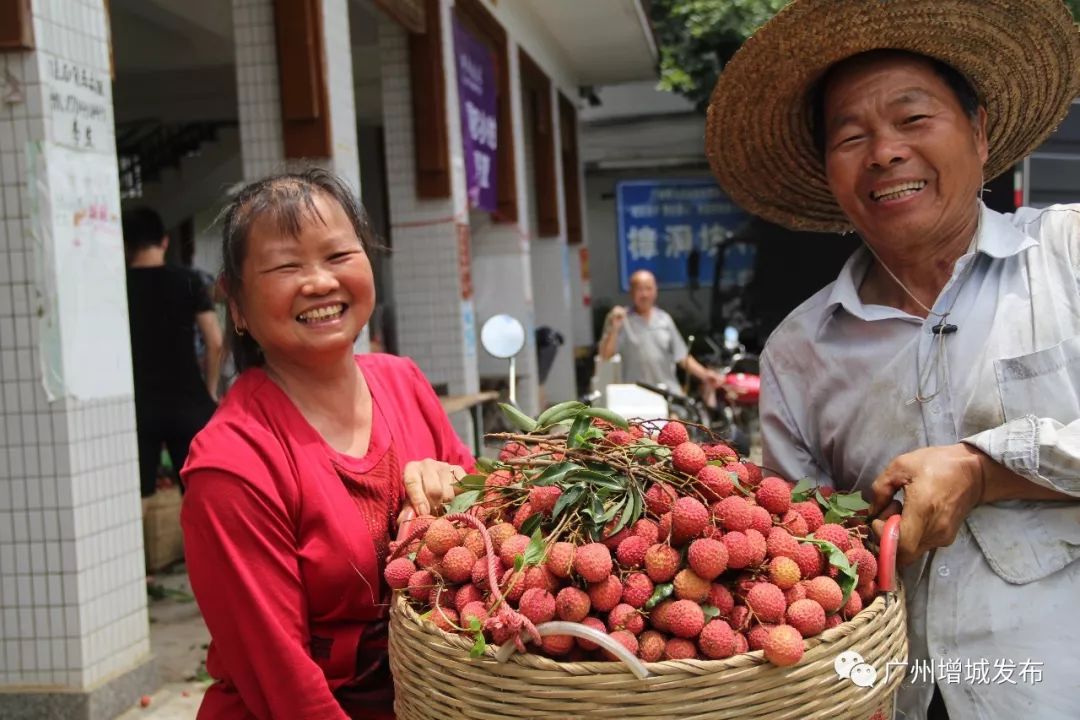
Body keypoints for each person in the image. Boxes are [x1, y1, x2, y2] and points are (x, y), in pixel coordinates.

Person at [705, 1, 1080, 718]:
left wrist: (984, 470)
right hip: (889, 698)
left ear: (979, 131)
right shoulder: (799, 351)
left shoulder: (1066, 257)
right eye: (851, 136)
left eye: (913, 120)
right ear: (829, 172)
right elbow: (799, 559)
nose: (883, 152)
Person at [179, 169, 475, 719]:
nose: (318, 282)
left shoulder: (404, 382)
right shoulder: (233, 465)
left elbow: (487, 549)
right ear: (236, 304)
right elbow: (283, 683)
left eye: (338, 256)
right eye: (286, 266)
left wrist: (460, 494)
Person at [123, 206, 223, 497]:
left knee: (137, 498)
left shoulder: (119, 286)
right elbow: (215, 341)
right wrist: (211, 389)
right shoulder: (188, 281)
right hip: (188, 403)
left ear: (126, 245)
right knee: (197, 493)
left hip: (139, 408)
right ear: (164, 241)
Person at [598, 269, 723, 393]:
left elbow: (682, 358)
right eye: (640, 289)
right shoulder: (623, 320)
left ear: (655, 291)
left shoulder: (664, 319)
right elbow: (606, 355)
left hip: (667, 393)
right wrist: (614, 328)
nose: (645, 294)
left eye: (649, 288)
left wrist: (705, 375)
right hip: (636, 396)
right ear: (631, 292)